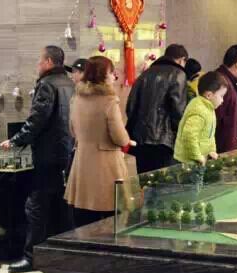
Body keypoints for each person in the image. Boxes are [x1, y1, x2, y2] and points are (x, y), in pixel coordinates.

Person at [0, 46, 74, 273]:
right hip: (66, 152)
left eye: (39, 61)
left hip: (47, 154)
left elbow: (37, 120)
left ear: (49, 61)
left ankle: (31, 257)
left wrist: (15, 141)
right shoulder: (69, 83)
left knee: (36, 206)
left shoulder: (47, 84)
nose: (37, 65)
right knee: (61, 205)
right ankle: (61, 254)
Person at [64, 56, 136, 227]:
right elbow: (119, 137)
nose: (114, 76)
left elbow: (72, 130)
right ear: (103, 74)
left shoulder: (76, 98)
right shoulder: (109, 101)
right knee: (112, 217)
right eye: (111, 72)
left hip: (82, 163)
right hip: (106, 165)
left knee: (84, 216)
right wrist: (127, 140)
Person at [126, 44, 188, 173]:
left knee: (145, 179)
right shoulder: (178, 73)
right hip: (164, 141)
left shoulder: (145, 74)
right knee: (163, 180)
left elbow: (130, 107)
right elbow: (178, 111)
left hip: (140, 139)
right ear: (182, 59)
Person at [174, 72, 226, 193]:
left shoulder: (208, 108)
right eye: (221, 96)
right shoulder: (199, 109)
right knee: (191, 192)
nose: (222, 100)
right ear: (209, 95)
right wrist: (197, 157)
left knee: (198, 188)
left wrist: (211, 151)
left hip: (200, 160)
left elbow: (209, 135)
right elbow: (189, 136)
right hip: (190, 162)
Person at [215, 45, 237, 153]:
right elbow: (216, 117)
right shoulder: (220, 82)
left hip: (229, 147)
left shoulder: (232, 81)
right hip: (221, 148)